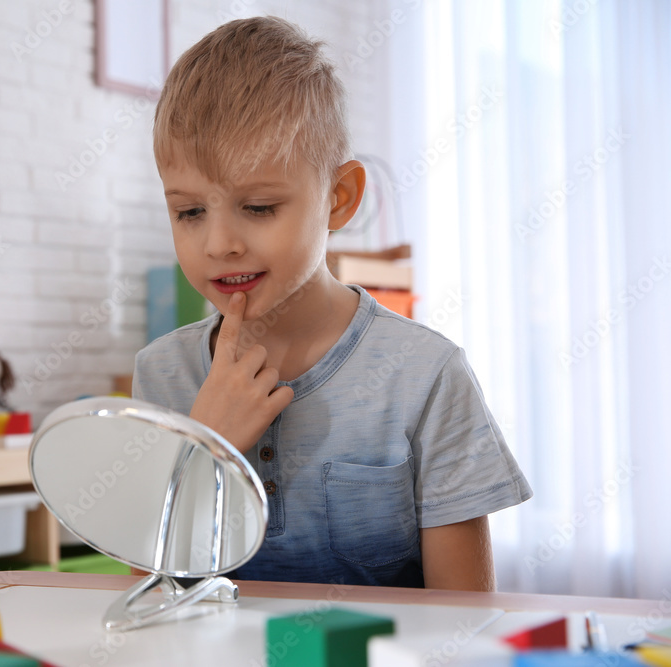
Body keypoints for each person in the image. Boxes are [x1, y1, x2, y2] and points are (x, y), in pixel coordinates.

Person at [132, 16, 532, 590]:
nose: (219, 244)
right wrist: (205, 451)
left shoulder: (427, 376)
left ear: (338, 199)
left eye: (260, 207)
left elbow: (462, 624)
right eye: (190, 212)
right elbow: (148, 604)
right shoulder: (161, 375)